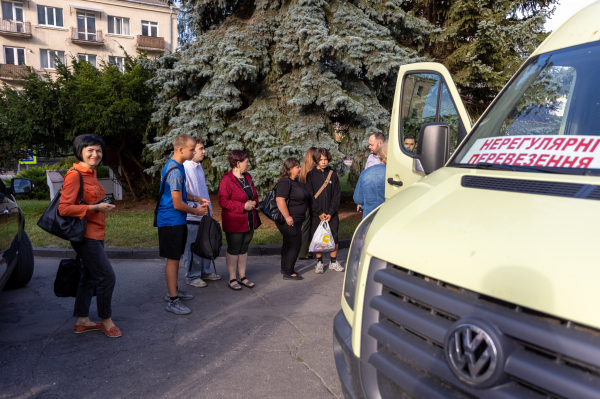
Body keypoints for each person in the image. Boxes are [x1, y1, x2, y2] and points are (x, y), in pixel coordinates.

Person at [58, 134, 120, 338]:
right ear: (80, 152)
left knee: (89, 275)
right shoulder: (75, 174)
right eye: (90, 150)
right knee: (106, 276)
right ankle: (106, 320)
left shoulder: (91, 174)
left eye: (99, 150)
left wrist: (101, 206)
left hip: (96, 232)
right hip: (85, 236)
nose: (96, 154)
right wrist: (95, 207)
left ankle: (82, 320)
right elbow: (64, 208)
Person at [157, 133, 209, 316]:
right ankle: (172, 300)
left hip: (174, 221)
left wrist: (195, 197)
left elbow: (180, 193)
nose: (194, 151)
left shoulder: (175, 166)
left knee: (176, 258)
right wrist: (197, 211)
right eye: (191, 149)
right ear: (180, 149)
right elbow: (177, 203)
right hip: (171, 222)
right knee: (173, 261)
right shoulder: (177, 170)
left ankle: (174, 291)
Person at [218, 150, 261, 291]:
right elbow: (223, 202)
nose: (248, 163)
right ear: (237, 163)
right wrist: (243, 206)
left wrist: (254, 203)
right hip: (234, 222)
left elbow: (254, 194)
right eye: (246, 161)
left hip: (249, 221)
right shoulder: (227, 180)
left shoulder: (247, 177)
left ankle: (242, 277)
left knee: (243, 248)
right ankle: (232, 278)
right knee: (234, 249)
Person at [182, 137, 221, 288]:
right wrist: (194, 208)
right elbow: (183, 193)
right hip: (191, 215)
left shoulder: (199, 167)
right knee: (192, 247)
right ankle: (192, 276)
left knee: (206, 243)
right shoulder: (185, 168)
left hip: (204, 214)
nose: (204, 151)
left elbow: (201, 190)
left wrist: (208, 208)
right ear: (191, 151)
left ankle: (205, 271)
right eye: (201, 149)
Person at [306, 148, 344, 274]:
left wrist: (331, 212)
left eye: (325, 159)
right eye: (320, 160)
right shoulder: (310, 175)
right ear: (316, 160)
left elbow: (336, 195)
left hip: (331, 214)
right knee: (318, 239)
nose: (323, 162)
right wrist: (319, 212)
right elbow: (310, 195)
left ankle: (333, 262)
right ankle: (319, 262)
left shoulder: (332, 174)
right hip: (317, 214)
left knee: (334, 237)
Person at [276, 158, 310, 280]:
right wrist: (287, 216)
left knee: (288, 243)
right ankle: (288, 272)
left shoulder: (295, 182)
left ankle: (285, 268)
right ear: (290, 169)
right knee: (295, 244)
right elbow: (280, 200)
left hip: (296, 219)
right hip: (290, 220)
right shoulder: (285, 182)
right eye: (297, 167)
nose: (300, 169)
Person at [354, 142, 387, 218]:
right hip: (388, 218)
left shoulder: (365, 173)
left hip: (369, 217)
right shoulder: (396, 173)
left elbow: (358, 199)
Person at [358, 131, 385, 211]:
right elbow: (365, 179)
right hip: (369, 203)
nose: (369, 147)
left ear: (380, 143)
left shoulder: (389, 158)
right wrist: (360, 201)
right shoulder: (370, 157)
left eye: (371, 145)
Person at [298, 147, 317, 260]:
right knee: (307, 227)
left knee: (306, 227)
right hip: (309, 203)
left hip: (303, 202)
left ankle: (306, 250)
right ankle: (304, 252)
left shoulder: (303, 169)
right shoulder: (312, 171)